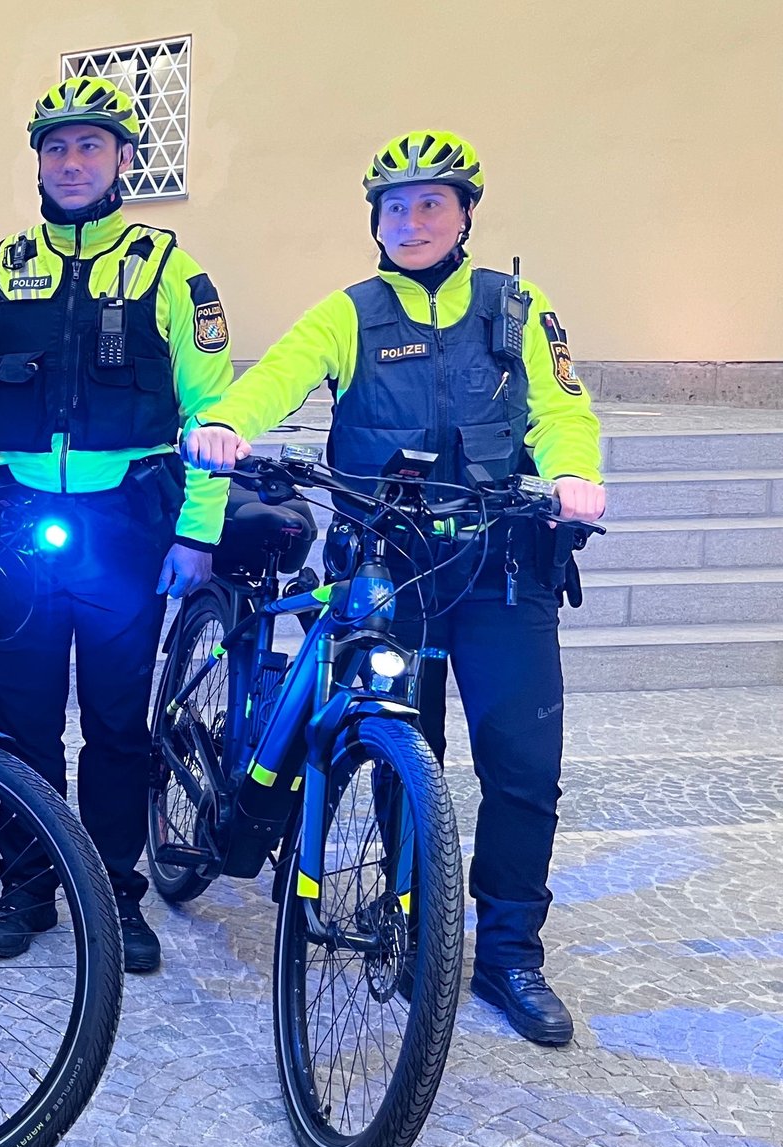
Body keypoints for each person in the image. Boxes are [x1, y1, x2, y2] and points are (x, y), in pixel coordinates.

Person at [184, 130, 606, 1046]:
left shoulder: (517, 309)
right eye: (394, 206)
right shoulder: (349, 313)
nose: (410, 220)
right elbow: (277, 379)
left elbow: (564, 409)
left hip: (501, 563)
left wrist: (574, 474)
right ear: (374, 220)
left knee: (523, 771)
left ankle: (507, 953)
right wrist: (225, 422)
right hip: (389, 564)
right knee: (394, 749)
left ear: (465, 216)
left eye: (430, 203)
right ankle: (412, 915)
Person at [0, 75, 235, 970]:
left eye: (90, 146)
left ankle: (115, 891)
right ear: (37, 162)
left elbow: (211, 411)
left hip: (126, 528)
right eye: (56, 147)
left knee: (119, 725)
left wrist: (198, 533)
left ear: (126, 159)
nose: (72, 162)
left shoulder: (170, 273)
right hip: (17, 528)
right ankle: (31, 881)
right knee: (24, 724)